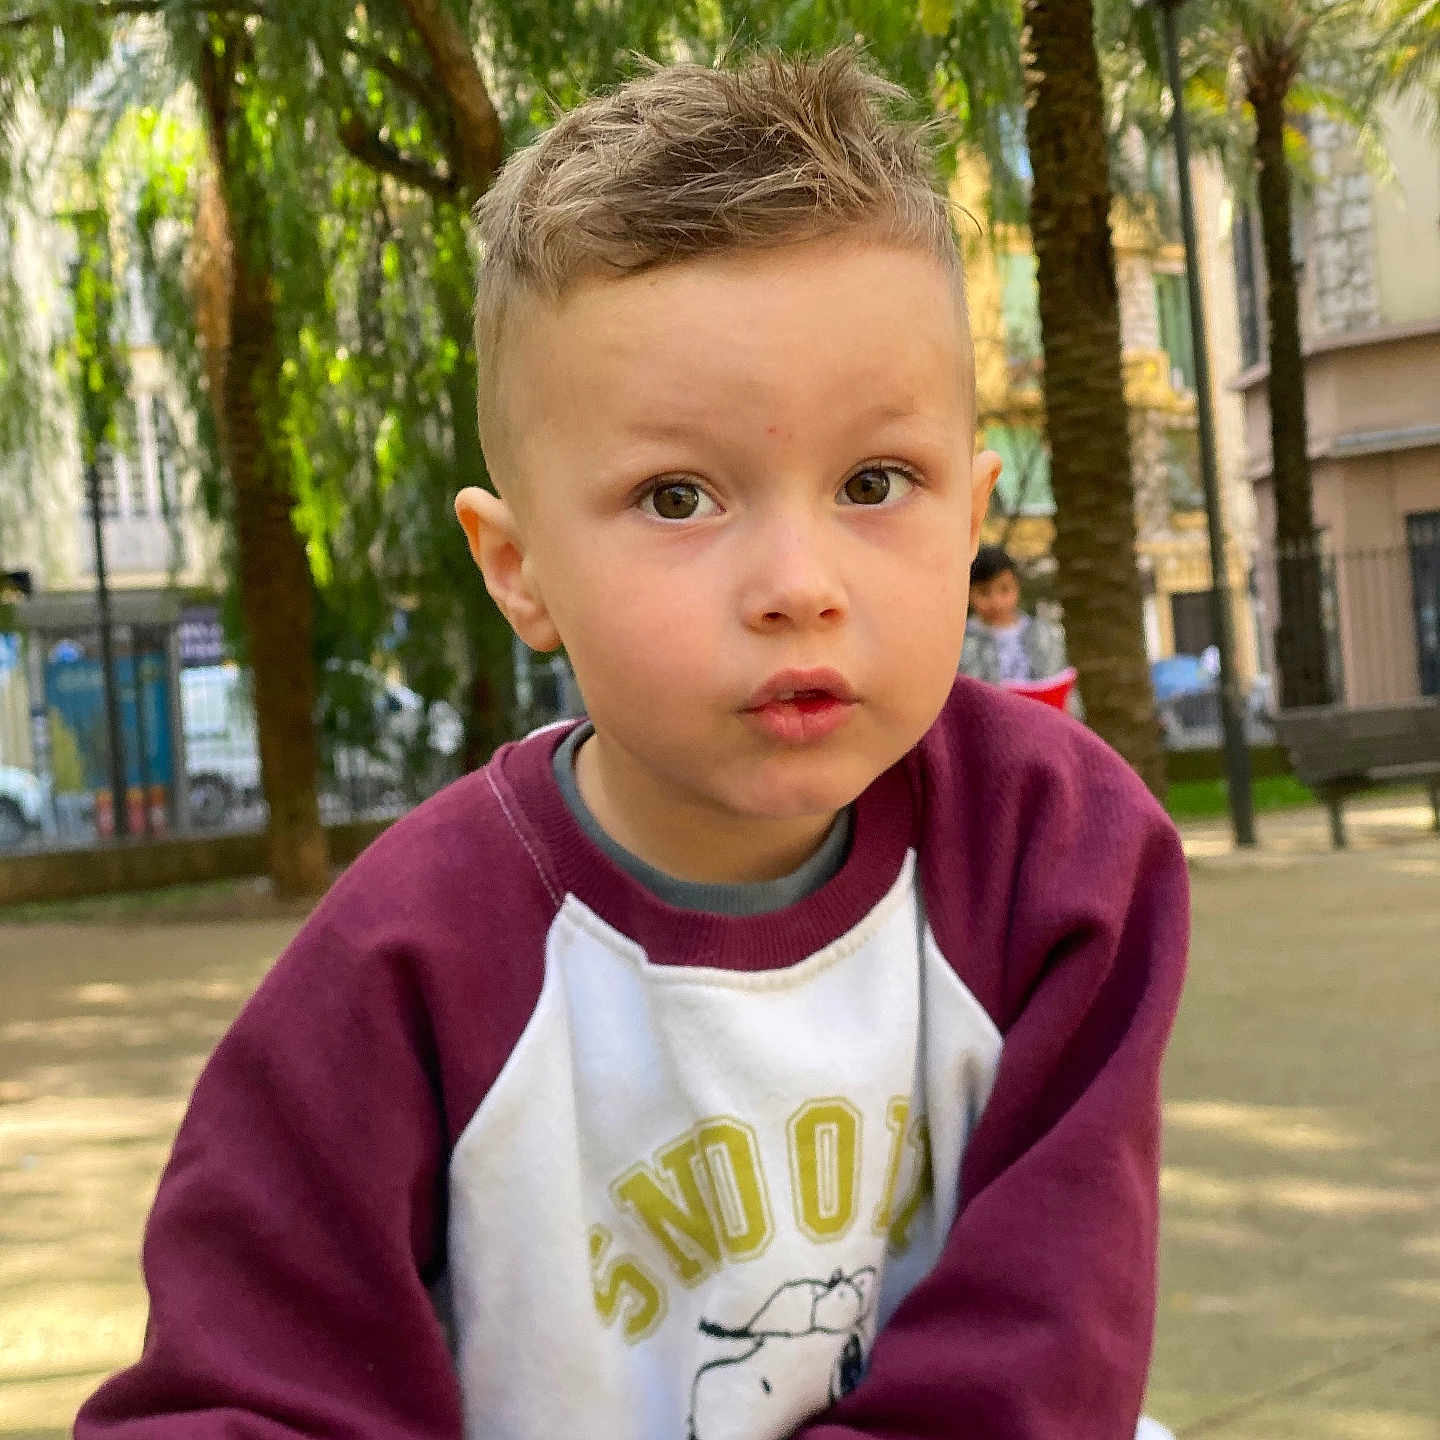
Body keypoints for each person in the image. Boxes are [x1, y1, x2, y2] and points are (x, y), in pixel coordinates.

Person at [75, 50, 1187, 1440]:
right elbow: (249, 1385)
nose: (798, 579)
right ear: (518, 563)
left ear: (974, 515)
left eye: (873, 484)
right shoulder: (403, 972)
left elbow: (1047, 1352)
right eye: (678, 496)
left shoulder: (1060, 857)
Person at [959, 543, 1070, 686]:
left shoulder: (1044, 635)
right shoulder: (960, 643)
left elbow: (1063, 686)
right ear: (968, 592)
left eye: (1004, 590)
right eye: (984, 592)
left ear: (1017, 586)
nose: (996, 602)